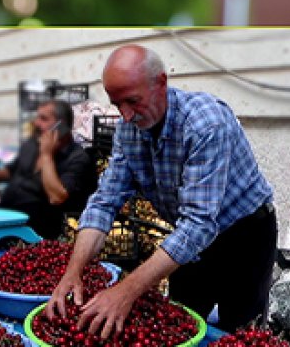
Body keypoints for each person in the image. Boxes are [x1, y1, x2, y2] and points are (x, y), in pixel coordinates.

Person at [46, 45, 277, 337]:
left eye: (132, 101)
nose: (126, 115)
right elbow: (104, 202)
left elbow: (198, 224)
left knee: (240, 330)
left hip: (244, 235)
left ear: (161, 83)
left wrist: (125, 291)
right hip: (188, 235)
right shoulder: (128, 132)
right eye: (117, 105)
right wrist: (73, 272)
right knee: (180, 321)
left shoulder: (206, 124)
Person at [0, 99, 96, 240]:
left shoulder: (77, 158)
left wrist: (46, 155)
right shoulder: (33, 144)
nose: (36, 123)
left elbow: (57, 197)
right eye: (37, 117)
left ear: (61, 125)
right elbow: (12, 170)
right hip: (4, 218)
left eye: (43, 119)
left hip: (35, 232)